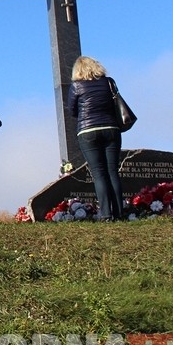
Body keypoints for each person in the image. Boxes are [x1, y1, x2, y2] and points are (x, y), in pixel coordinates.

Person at [66, 55, 124, 221]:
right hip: (111, 129)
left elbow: (72, 110)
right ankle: (119, 213)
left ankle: (106, 214)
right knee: (112, 172)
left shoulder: (76, 86)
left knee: (99, 174)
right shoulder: (108, 82)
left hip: (88, 131)